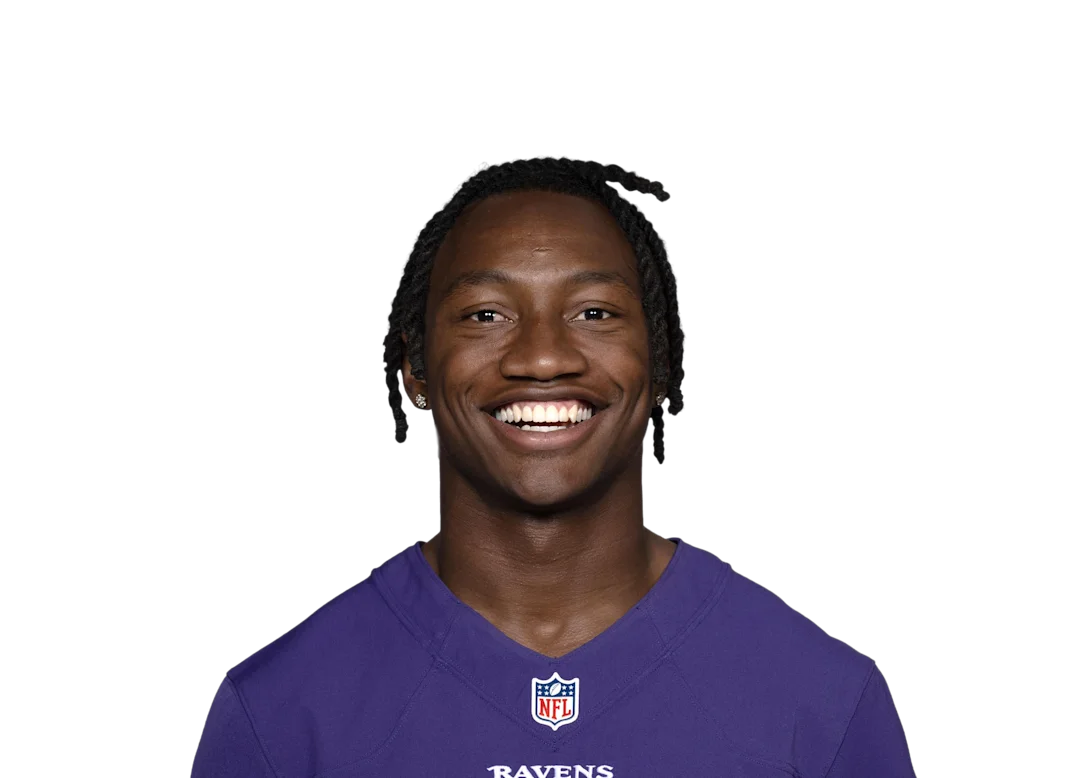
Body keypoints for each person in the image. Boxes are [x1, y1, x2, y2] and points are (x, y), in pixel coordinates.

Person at [192, 155, 916, 776]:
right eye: (485, 314)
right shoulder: (279, 712)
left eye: (594, 312)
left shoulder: (825, 702)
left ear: (660, 361)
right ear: (415, 369)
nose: (542, 357)